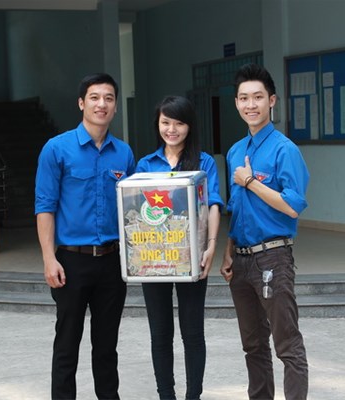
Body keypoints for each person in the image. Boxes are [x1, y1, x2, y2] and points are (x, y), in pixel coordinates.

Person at [35, 73, 136, 400]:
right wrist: (49, 259)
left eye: (108, 98)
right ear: (81, 103)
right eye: (94, 97)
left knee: (106, 347)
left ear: (115, 106)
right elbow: (45, 207)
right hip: (71, 262)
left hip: (111, 262)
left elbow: (133, 209)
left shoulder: (124, 154)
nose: (101, 104)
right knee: (67, 345)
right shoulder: (56, 149)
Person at [220, 63, 310, 400]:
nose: (251, 105)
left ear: (272, 101)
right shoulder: (235, 151)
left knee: (287, 345)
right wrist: (228, 251)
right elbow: (237, 208)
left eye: (258, 97)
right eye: (244, 98)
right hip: (241, 261)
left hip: (273, 257)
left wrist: (250, 182)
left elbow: (292, 205)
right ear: (236, 103)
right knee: (253, 346)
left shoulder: (285, 149)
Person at [136, 95, 223, 400]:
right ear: (157, 124)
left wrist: (211, 246)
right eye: (166, 122)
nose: (171, 130)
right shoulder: (145, 164)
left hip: (191, 257)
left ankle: (193, 396)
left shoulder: (204, 163)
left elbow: (213, 205)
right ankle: (166, 396)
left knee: (193, 333)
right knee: (160, 334)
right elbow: (135, 209)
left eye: (179, 123)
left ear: (190, 126)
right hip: (154, 260)